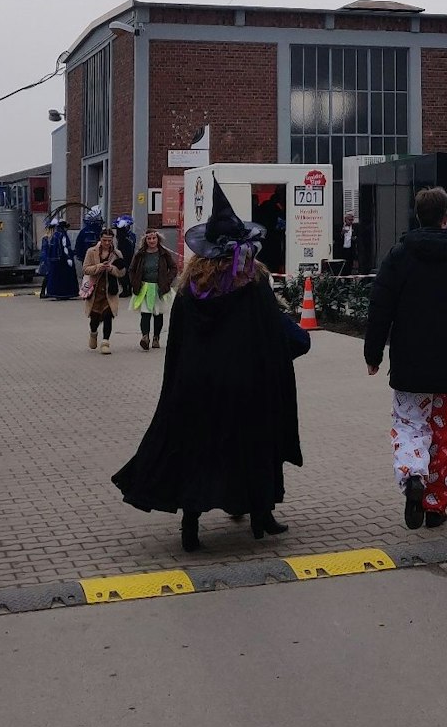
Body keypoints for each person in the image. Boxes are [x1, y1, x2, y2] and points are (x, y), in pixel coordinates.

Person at [112, 183, 310, 552]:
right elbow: (271, 334)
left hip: (197, 388)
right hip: (247, 387)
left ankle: (191, 527)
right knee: (254, 446)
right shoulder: (253, 284)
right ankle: (260, 515)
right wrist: (296, 345)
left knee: (198, 452)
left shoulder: (189, 292)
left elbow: (178, 347)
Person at [363, 187, 447, 530]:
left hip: (408, 367)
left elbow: (380, 308)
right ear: (446, 216)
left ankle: (413, 476)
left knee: (409, 426)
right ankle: (435, 505)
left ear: (417, 216)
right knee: (446, 436)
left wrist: (373, 354)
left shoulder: (398, 257)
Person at [128, 229, 177, 350]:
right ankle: (145, 337)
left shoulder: (164, 253)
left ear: (158, 239)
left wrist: (167, 281)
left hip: (159, 287)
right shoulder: (140, 254)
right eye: (149, 239)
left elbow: (173, 268)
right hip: (144, 288)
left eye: (154, 238)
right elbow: (132, 269)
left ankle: (156, 337)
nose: (152, 241)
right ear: (145, 240)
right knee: (145, 313)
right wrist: (134, 282)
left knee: (157, 314)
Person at [81, 230, 125, 353]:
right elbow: (85, 269)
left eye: (109, 240)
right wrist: (98, 267)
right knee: (94, 318)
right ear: (100, 238)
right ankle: (93, 333)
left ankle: (105, 342)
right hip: (95, 290)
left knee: (108, 315)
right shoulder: (91, 252)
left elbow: (122, 272)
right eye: (104, 240)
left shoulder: (117, 253)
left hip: (110, 290)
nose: (107, 243)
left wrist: (111, 269)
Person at [40, 218, 78, 300]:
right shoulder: (59, 235)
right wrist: (68, 258)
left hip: (52, 259)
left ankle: (46, 292)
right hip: (58, 260)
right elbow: (64, 247)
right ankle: (58, 293)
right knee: (53, 276)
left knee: (51, 276)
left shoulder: (53, 236)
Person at [113, 215, 139, 297]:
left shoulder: (128, 235)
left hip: (126, 256)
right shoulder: (128, 235)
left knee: (126, 273)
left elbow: (122, 238)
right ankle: (127, 289)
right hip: (125, 255)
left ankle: (127, 289)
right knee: (125, 273)